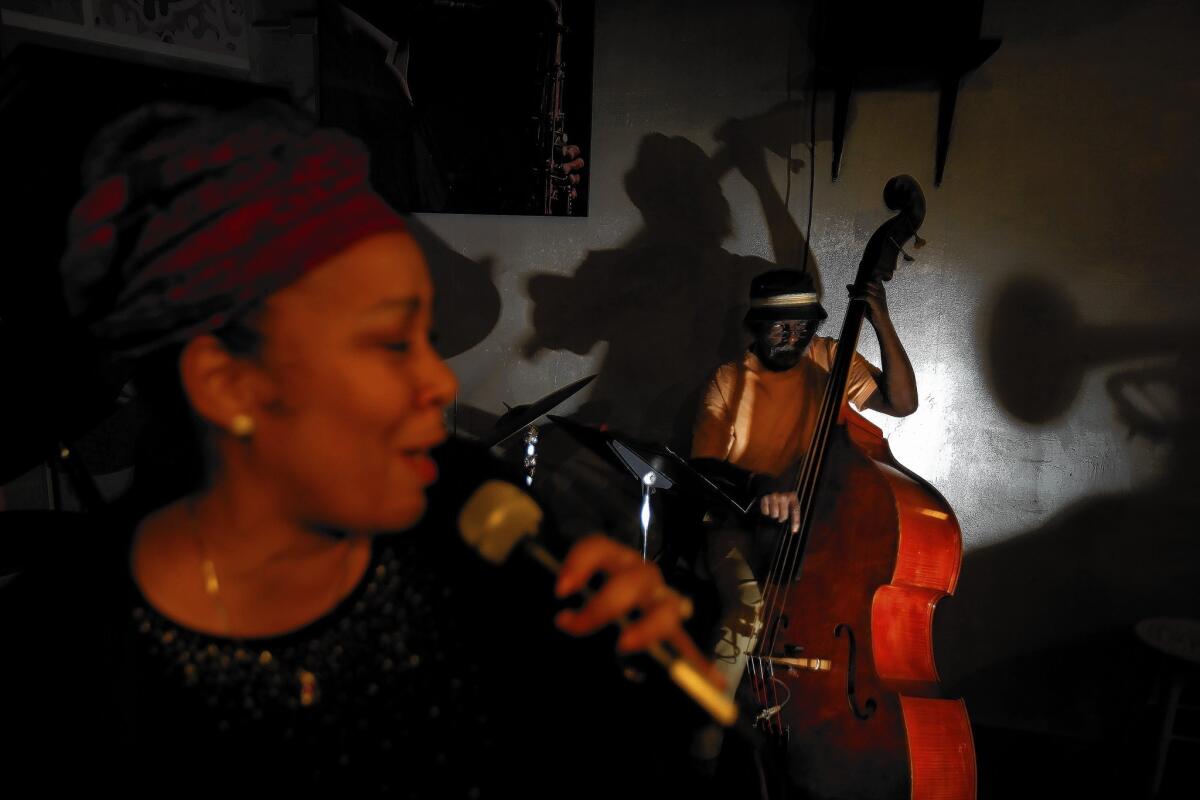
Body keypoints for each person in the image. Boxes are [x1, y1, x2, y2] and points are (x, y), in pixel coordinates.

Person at [0, 100, 712, 796]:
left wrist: (626, 693)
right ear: (228, 385)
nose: (439, 381)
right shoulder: (64, 659)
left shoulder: (473, 525)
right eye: (391, 341)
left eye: (429, 340)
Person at [688, 267, 918, 765]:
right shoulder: (728, 382)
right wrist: (759, 486)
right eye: (779, 328)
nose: (793, 338)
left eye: (803, 327)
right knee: (746, 612)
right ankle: (704, 740)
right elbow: (704, 471)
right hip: (737, 527)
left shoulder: (831, 360)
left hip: (815, 534)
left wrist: (880, 320)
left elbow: (902, 403)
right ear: (757, 326)